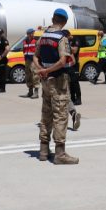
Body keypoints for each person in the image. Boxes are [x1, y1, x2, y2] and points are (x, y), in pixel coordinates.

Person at [33, 8, 79, 164]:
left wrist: (41, 70)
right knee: (60, 116)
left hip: (45, 81)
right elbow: (62, 61)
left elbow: (35, 56)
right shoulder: (61, 38)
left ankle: (43, 151)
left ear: (53, 19)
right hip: (58, 81)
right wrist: (47, 70)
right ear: (64, 22)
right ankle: (60, 154)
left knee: (46, 114)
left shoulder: (43, 36)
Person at [21, 28, 39, 98]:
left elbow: (38, 51)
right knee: (28, 75)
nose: (31, 34)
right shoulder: (24, 41)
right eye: (30, 33)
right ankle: (30, 91)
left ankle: (36, 92)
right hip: (27, 60)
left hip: (33, 60)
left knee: (35, 75)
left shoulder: (36, 41)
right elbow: (24, 50)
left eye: (32, 33)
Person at [68, 31, 82, 106]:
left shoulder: (76, 40)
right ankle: (72, 98)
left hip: (75, 64)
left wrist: (67, 47)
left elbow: (75, 50)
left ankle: (79, 98)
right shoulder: (67, 41)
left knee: (75, 82)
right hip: (69, 64)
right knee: (70, 82)